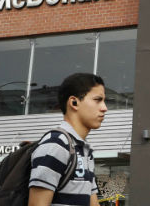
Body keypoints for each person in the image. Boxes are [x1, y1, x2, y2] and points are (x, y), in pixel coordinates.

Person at [28, 73, 107, 206]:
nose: (104, 108)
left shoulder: (85, 151)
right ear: (74, 102)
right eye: (97, 100)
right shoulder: (56, 144)